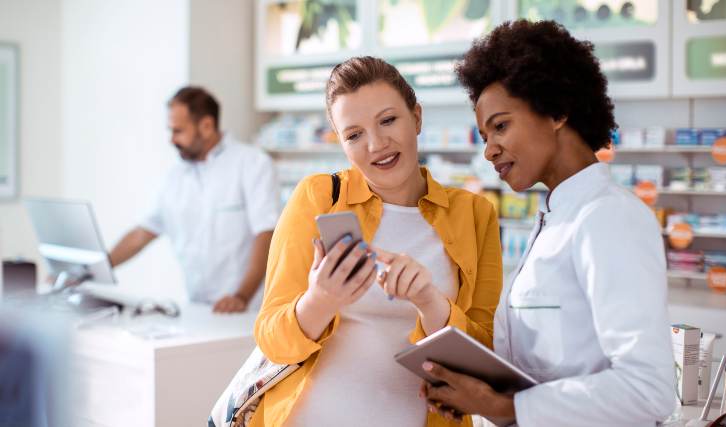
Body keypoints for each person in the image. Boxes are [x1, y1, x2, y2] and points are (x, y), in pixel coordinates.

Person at [419, 20, 676, 426]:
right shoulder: (557, 220)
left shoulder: (609, 217)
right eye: (484, 135)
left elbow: (649, 389)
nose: (489, 151)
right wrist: (480, 394)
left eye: (500, 126)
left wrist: (504, 407)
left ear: (557, 111)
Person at [252, 57, 503, 427]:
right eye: (354, 134)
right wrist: (320, 301)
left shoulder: (475, 214)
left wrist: (431, 304)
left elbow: (485, 358)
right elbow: (272, 341)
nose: (376, 144)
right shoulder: (318, 197)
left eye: (388, 120)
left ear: (416, 117)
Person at [108, 86, 279, 313]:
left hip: (248, 309)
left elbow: (267, 234)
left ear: (206, 126)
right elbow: (141, 234)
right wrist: (94, 269)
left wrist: (241, 296)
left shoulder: (253, 164)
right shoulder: (175, 176)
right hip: (198, 308)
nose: (171, 139)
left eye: (178, 131)